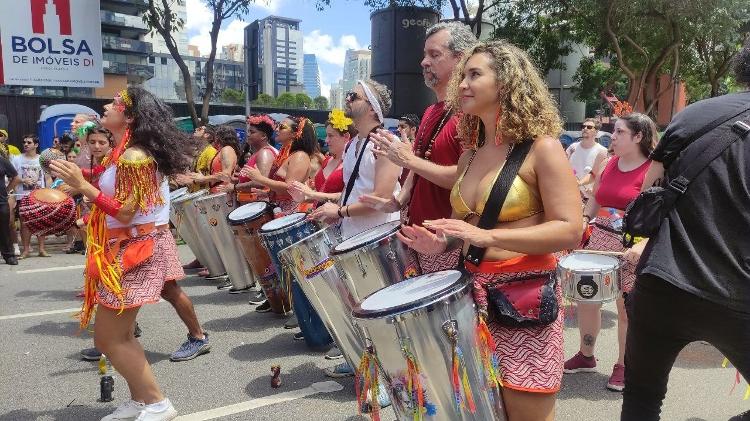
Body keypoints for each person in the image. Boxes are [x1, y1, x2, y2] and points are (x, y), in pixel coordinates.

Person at [399, 41, 582, 421]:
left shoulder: (542, 149)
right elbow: (465, 225)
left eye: (474, 74)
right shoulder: (470, 155)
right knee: (478, 410)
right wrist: (441, 241)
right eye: (462, 75)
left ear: (506, 83)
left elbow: (569, 230)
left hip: (523, 299)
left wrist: (490, 237)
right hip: (472, 296)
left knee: (526, 412)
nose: (462, 84)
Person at [620, 40, 750, 421]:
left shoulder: (696, 113)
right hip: (738, 295)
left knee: (642, 399)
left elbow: (649, 193)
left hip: (662, 283)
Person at [50, 87, 197, 421]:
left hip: (136, 249)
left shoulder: (135, 156)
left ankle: (158, 403)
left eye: (115, 104)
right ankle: (141, 400)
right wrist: (75, 179)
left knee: (109, 337)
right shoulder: (124, 152)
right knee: (122, 334)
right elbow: (110, 192)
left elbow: (127, 212)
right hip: (126, 246)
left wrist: (83, 185)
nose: (107, 106)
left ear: (129, 117)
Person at [309, 79, 402, 391]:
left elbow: (381, 197)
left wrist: (341, 212)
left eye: (354, 96)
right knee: (357, 306)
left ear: (372, 106)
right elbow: (351, 194)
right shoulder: (353, 145)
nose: (347, 100)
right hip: (353, 237)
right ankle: (366, 362)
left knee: (379, 311)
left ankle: (390, 381)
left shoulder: (385, 142)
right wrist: (322, 201)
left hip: (377, 239)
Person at [364, 21, 476, 274]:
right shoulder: (429, 112)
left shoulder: (470, 114)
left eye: (434, 55)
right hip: (418, 237)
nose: (424, 62)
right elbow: (418, 166)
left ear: (460, 60)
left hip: (447, 243)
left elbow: (467, 180)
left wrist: (408, 161)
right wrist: (399, 200)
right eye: (425, 55)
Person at [563, 113, 655, 392]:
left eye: (619, 132)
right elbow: (594, 200)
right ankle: (586, 355)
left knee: (626, 309)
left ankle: (624, 365)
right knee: (587, 299)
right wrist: (582, 221)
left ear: (638, 137)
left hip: (633, 242)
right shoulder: (608, 162)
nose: (611, 137)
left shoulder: (654, 169)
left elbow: (659, 214)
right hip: (601, 238)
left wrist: (643, 244)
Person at [240, 116, 319, 215]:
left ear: (295, 134)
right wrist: (268, 192)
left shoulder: (300, 156)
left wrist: (260, 179)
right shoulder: (287, 155)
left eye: (282, 127)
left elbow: (290, 189)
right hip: (279, 210)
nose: (277, 129)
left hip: (291, 214)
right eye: (278, 126)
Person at [288, 109, 354, 206]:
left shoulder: (353, 163)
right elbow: (318, 196)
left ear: (346, 136)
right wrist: (304, 197)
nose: (326, 140)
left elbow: (350, 196)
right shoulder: (327, 160)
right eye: (327, 136)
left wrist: (311, 193)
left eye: (330, 136)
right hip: (317, 217)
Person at [13, 134, 51, 259]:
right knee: (24, 224)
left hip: (40, 196)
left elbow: (48, 177)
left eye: (29, 142)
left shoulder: (42, 159)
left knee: (41, 222)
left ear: (36, 145)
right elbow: (13, 177)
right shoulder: (17, 159)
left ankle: (41, 249)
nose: (25, 144)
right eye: (24, 142)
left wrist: (48, 193)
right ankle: (26, 250)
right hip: (23, 196)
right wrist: (23, 181)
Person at [225, 113, 278, 203]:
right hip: (249, 204)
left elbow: (261, 182)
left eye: (252, 132)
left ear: (263, 136)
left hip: (259, 206)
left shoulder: (264, 153)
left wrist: (235, 187)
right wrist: (238, 180)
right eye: (248, 131)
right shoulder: (257, 153)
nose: (248, 135)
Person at [189, 125, 238, 194]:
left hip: (224, 195)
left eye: (216, 135)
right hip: (217, 193)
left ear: (218, 136)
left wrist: (203, 178)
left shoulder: (226, 149)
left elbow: (226, 175)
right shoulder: (221, 151)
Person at [566, 118, 608, 198]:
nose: (585, 129)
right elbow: (563, 167)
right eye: (583, 126)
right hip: (571, 194)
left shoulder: (602, 151)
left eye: (589, 127)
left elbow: (599, 176)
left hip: (589, 197)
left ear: (596, 132)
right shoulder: (572, 148)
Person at [1, 154, 20, 265]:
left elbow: (16, 178)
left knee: (4, 228)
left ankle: (9, 255)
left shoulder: (2, 161)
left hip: (1, 201)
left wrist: (6, 190)